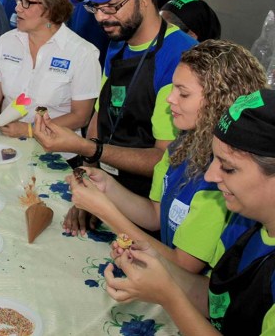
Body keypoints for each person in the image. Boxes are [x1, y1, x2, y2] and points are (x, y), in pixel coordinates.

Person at [67, 41, 267, 274]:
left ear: (218, 101)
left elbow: (184, 266)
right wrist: (107, 187)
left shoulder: (221, 179)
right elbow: (155, 215)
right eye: (172, 88)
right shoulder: (181, 146)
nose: (169, 99)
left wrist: (105, 212)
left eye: (183, 93)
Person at [104, 88, 275, 335]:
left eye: (228, 168)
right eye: (213, 160)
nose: (210, 175)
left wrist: (169, 296)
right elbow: (215, 300)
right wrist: (157, 264)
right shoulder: (246, 223)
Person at [35, 0, 197, 202]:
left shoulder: (180, 57)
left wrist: (88, 149)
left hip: (152, 203)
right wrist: (89, 180)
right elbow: (100, 116)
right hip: (108, 184)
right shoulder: (119, 42)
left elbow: (163, 160)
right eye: (95, 7)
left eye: (112, 6)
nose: (101, 17)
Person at [0, 0, 101, 168]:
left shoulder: (82, 53)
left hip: (56, 158)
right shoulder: (6, 42)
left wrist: (28, 130)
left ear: (51, 8)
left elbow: (80, 116)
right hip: (7, 152)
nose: (17, 7)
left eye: (26, 2)